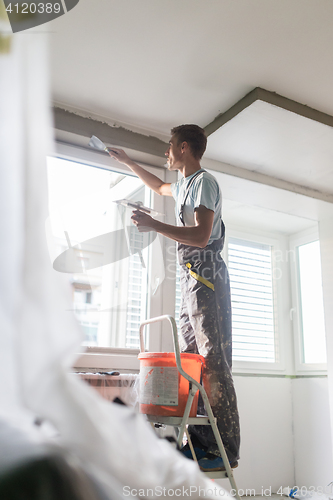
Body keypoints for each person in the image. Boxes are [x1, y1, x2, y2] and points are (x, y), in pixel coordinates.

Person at [108, 124, 240, 472]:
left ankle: (224, 448)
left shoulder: (204, 183)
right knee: (194, 360)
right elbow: (157, 184)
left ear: (184, 147)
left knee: (212, 361)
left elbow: (200, 235)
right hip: (191, 277)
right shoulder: (183, 185)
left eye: (169, 147)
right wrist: (127, 162)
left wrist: (155, 225)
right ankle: (199, 443)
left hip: (206, 273)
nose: (167, 153)